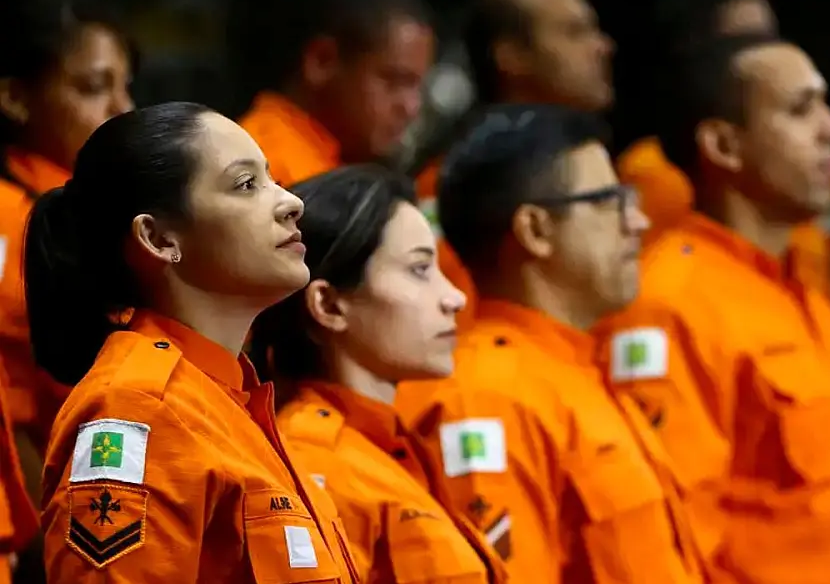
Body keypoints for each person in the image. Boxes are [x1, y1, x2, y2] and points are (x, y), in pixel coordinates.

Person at [594, 33, 830, 583]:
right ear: (724, 145)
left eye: (826, 104)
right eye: (800, 109)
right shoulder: (668, 306)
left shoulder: (808, 303)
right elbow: (674, 541)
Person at [33, 102, 357, 582]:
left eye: (273, 179)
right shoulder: (140, 408)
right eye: (246, 185)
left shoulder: (232, 400)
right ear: (160, 238)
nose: (292, 202)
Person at [397, 104, 703, 584]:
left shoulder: (578, 372)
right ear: (535, 230)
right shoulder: (484, 400)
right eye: (608, 201)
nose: (638, 223)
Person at [251, 165, 506, 583]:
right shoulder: (315, 466)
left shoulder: (393, 449)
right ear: (330, 306)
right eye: (420, 269)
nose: (455, 297)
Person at [412, 0, 615, 328]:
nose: (602, 46)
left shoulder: (593, 162)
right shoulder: (448, 187)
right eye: (574, 32)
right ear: (511, 57)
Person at [0, 0, 136, 450]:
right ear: (16, 97)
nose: (123, 108)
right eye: (94, 88)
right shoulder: (10, 215)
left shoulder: (91, 205)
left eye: (125, 86)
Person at [617, 0, 777, 247]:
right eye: (750, 41)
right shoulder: (656, 176)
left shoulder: (785, 168)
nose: (774, 53)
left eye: (771, 38)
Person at [241, 0, 435, 188]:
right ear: (321, 61)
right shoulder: (268, 166)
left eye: (417, 86)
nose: (411, 107)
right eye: (393, 81)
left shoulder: (330, 163)